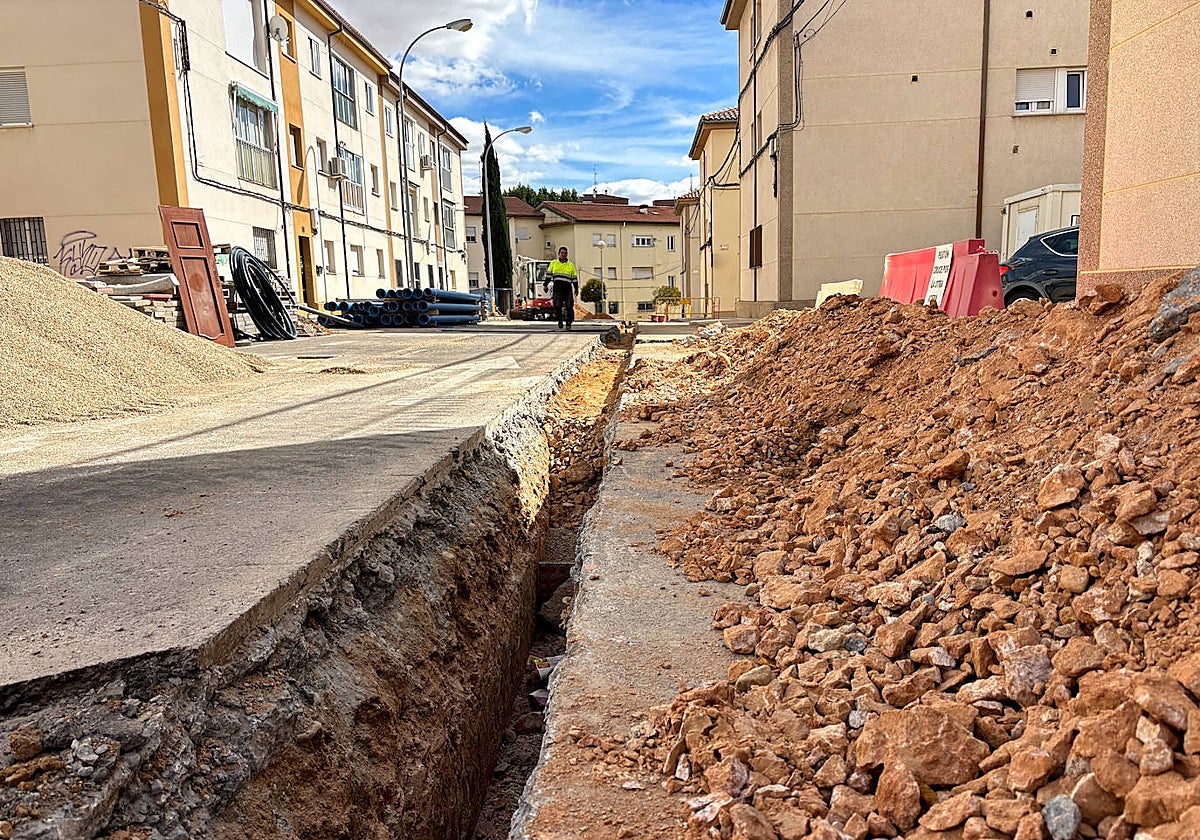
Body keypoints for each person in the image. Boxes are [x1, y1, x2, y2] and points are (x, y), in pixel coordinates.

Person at [544, 246, 579, 330]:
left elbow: (574, 278)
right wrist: (545, 285)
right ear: (559, 254)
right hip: (557, 289)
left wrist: (576, 288)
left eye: (565, 253)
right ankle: (560, 320)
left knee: (569, 306)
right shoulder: (553, 263)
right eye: (562, 253)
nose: (563, 254)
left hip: (567, 289)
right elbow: (548, 275)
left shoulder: (570, 265)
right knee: (557, 305)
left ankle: (568, 323)